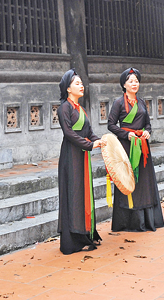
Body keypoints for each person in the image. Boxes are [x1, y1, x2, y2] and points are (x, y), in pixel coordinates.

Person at [106, 68, 164, 232]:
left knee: (144, 182)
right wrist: (126, 134)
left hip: (142, 147)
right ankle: (129, 222)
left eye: (136, 81)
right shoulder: (118, 103)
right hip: (126, 147)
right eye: (131, 81)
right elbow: (111, 125)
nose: (134, 84)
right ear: (124, 85)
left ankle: (147, 221)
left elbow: (147, 124)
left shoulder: (141, 102)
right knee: (128, 180)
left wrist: (147, 132)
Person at [57, 69, 104, 254]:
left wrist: (100, 141)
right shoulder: (64, 108)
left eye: (82, 83)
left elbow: (89, 132)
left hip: (82, 155)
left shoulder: (80, 109)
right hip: (71, 156)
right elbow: (69, 133)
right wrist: (90, 145)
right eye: (77, 83)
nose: (81, 86)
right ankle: (72, 240)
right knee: (73, 193)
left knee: (83, 193)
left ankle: (86, 233)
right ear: (68, 89)